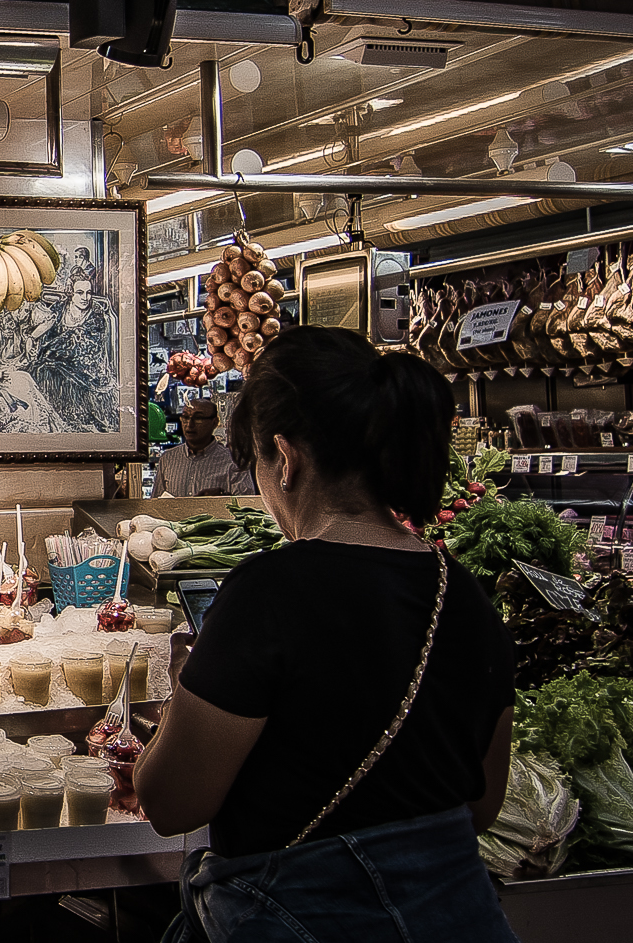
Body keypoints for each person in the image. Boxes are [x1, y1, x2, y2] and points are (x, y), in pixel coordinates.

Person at [133, 327, 516, 942]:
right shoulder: (465, 594)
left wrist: (183, 689)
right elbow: (480, 805)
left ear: (285, 458)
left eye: (254, 462)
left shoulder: (268, 592)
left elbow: (171, 803)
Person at [153, 397, 257, 498]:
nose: (189, 424)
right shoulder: (168, 458)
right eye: (185, 417)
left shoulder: (233, 460)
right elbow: (156, 504)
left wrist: (223, 497)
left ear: (214, 422)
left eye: (198, 418)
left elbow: (246, 504)